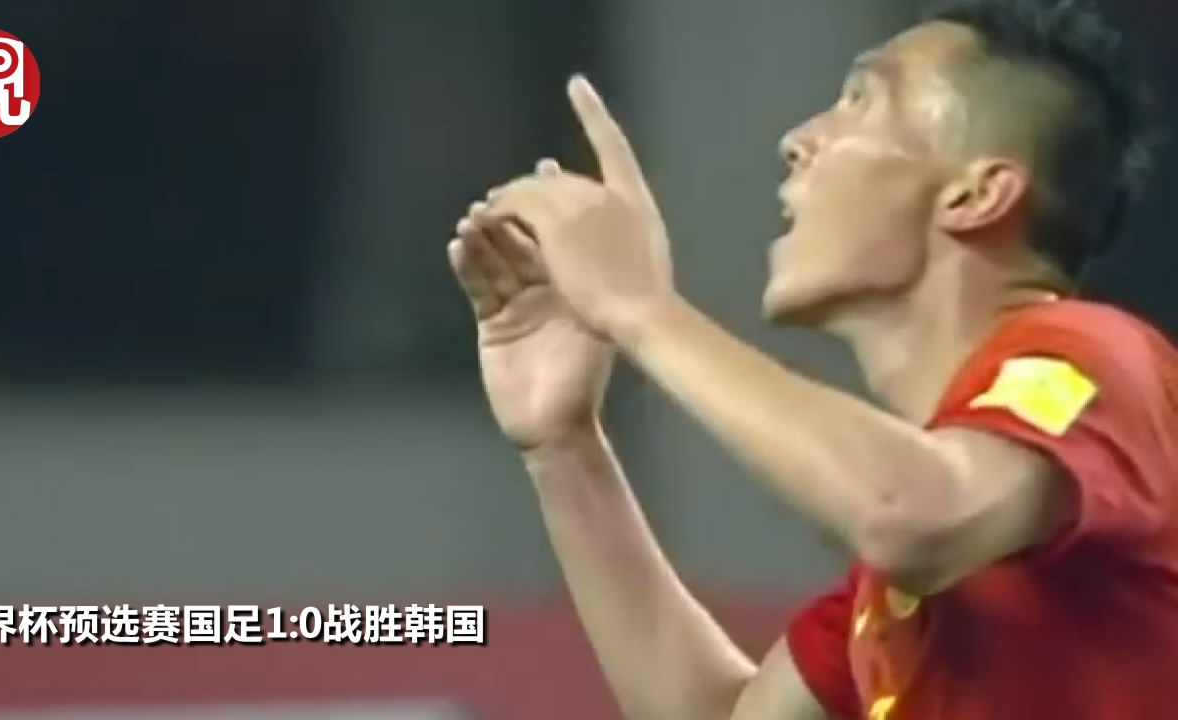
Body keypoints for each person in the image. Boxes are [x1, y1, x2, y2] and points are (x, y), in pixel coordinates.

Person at [448, 0, 1177, 718]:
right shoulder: (905, 585)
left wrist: (641, 310)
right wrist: (565, 445)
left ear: (975, 194)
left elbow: (910, 510)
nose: (797, 139)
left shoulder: (1099, 361)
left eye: (861, 100)